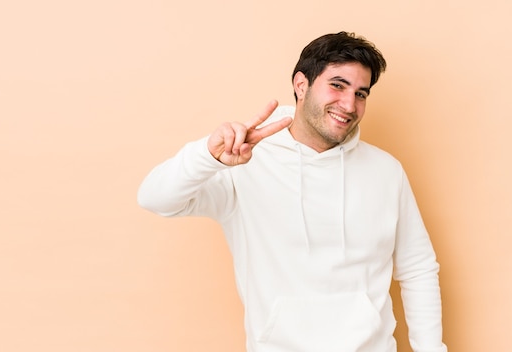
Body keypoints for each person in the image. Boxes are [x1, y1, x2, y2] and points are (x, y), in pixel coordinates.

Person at [138, 31, 447, 352]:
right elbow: (155, 198)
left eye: (361, 94)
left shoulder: (386, 170)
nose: (349, 104)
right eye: (337, 85)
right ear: (302, 84)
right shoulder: (244, 162)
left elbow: (418, 268)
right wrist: (208, 155)